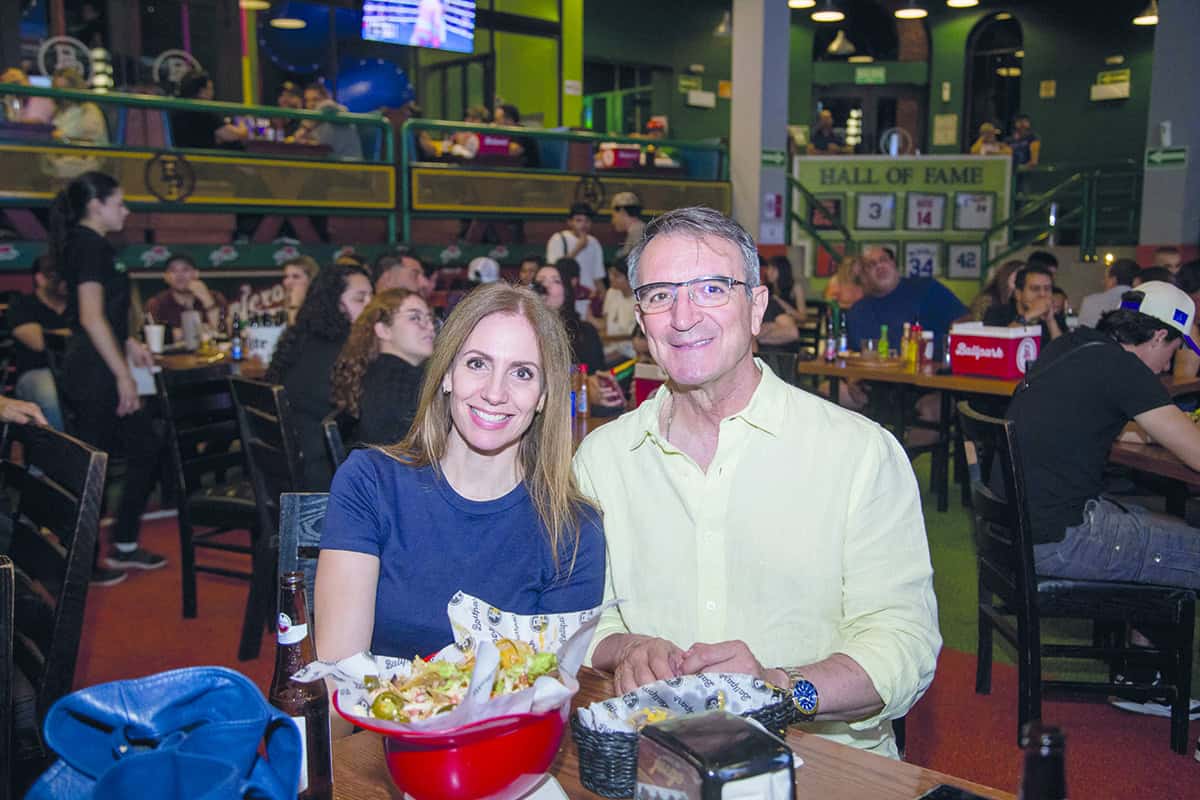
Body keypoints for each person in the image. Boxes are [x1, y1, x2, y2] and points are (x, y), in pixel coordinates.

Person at [573, 206, 940, 758]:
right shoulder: (603, 458)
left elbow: (903, 644)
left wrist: (776, 687)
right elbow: (583, 619)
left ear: (756, 307)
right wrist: (628, 648)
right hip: (659, 759)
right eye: (659, 294)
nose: (683, 316)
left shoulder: (859, 453)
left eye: (712, 289)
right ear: (642, 320)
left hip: (822, 768)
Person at [314, 283, 605, 735]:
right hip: (382, 756)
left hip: (504, 758)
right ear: (446, 373)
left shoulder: (574, 529)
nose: (494, 392)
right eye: (477, 364)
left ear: (546, 395)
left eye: (522, 373)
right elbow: (337, 688)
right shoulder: (370, 483)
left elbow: (547, 707)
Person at [1008, 282, 1200, 597]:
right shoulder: (1126, 369)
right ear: (1158, 336)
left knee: (1160, 524)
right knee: (1188, 542)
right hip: (1063, 540)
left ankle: (1148, 639)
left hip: (1017, 529)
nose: (1167, 365)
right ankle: (1154, 638)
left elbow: (1087, 419)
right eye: (1173, 351)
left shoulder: (1072, 344)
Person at [52, 172, 166, 584]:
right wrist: (123, 376)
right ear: (96, 205)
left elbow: (105, 316)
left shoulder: (95, 246)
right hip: (93, 374)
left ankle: (123, 544)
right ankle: (79, 560)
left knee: (145, 447)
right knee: (93, 466)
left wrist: (130, 341)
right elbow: (89, 316)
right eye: (120, 202)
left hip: (102, 364)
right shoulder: (87, 246)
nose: (127, 210)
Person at [266, 260, 373, 491]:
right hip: (324, 477)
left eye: (372, 297)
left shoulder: (300, 339)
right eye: (360, 298)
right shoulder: (345, 353)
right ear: (335, 303)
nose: (371, 306)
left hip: (284, 469)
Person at [330, 289, 435, 446]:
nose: (430, 327)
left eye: (430, 318)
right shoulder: (402, 387)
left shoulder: (373, 374)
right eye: (415, 318)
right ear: (383, 330)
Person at [846, 245, 967, 356]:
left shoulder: (927, 288)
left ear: (893, 264)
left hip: (930, 375)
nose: (879, 266)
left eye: (883, 260)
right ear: (864, 276)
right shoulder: (857, 313)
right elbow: (854, 358)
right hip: (877, 377)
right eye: (871, 265)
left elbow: (965, 321)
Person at [535, 264, 624, 411]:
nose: (546, 285)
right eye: (541, 280)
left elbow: (595, 375)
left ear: (567, 291)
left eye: (555, 281)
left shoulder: (585, 332)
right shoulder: (524, 332)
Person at [8, 257, 68, 430]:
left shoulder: (79, 307)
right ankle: (60, 451)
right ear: (40, 279)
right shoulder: (23, 304)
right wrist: (73, 336)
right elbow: (38, 342)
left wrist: (52, 334)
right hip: (36, 372)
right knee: (48, 392)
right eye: (58, 277)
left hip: (76, 371)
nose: (65, 282)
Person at [144, 253, 227, 340]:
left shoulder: (216, 297)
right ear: (166, 277)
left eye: (185, 270)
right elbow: (152, 337)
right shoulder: (156, 303)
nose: (180, 275)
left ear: (196, 274)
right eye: (173, 271)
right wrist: (195, 331)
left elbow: (223, 332)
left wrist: (207, 300)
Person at [983, 265, 1065, 344]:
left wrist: (1050, 321)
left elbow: (1064, 354)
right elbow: (998, 346)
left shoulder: (1056, 318)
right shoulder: (997, 313)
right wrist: (1028, 315)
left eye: (1047, 289)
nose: (1042, 294)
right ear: (1018, 294)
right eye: (1035, 289)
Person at [546, 203, 606, 311]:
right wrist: (577, 249)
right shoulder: (558, 239)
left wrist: (605, 298)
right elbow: (555, 270)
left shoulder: (594, 242)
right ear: (570, 222)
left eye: (587, 220)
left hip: (589, 298)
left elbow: (597, 277)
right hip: (566, 297)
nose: (583, 224)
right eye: (578, 220)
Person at [169, 68, 248, 149]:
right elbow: (233, 135)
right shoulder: (203, 109)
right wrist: (242, 125)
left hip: (177, 158)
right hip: (201, 159)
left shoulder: (175, 107)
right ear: (202, 91)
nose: (212, 93)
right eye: (210, 89)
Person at [297, 82, 363, 160]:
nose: (310, 104)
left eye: (315, 99)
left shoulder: (336, 112)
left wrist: (305, 127)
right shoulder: (315, 121)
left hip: (352, 166)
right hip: (329, 165)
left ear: (326, 98)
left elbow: (328, 105)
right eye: (307, 100)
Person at [1078, 258, 1138, 328]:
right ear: (1136, 280)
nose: (1103, 282)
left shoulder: (1089, 301)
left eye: (1106, 278)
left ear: (1113, 280)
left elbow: (1082, 331)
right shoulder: (1140, 301)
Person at [281, 255, 319, 324]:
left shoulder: (321, 307)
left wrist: (295, 305)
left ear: (311, 280)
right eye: (286, 277)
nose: (288, 282)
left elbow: (296, 332)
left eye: (296, 277)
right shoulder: (283, 307)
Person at [610, 192, 646, 259]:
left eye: (614, 216)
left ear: (622, 212)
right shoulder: (639, 229)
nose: (613, 221)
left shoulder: (637, 233)